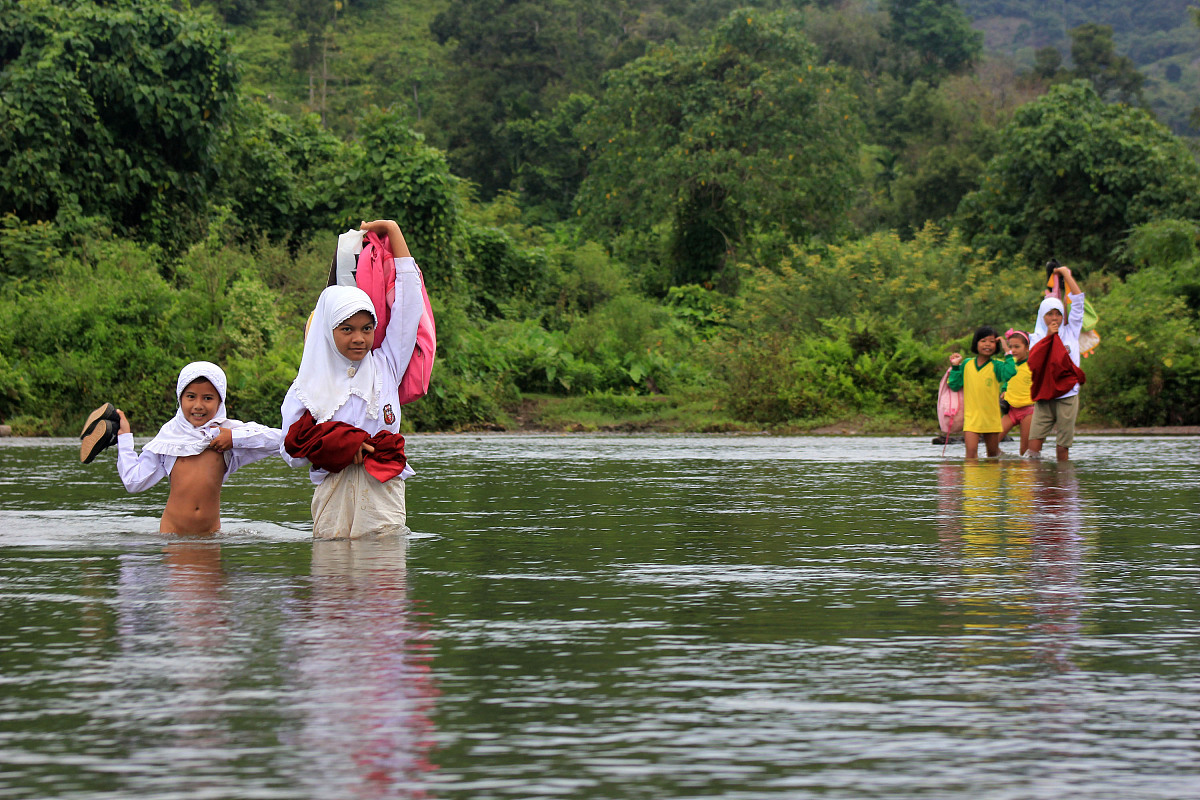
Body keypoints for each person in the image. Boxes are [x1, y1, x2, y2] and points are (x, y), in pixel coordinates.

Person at [281, 219, 426, 539]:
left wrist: (393, 231)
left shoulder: (386, 364)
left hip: (382, 491)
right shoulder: (305, 388)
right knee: (332, 584)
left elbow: (409, 303)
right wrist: (339, 446)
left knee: (384, 581)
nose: (359, 338)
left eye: (366, 328)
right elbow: (290, 453)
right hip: (332, 496)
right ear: (328, 331)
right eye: (346, 329)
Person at [109, 361, 284, 534]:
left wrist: (234, 438)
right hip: (173, 534)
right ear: (180, 398)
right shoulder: (169, 437)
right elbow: (133, 482)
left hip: (210, 535)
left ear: (220, 401)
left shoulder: (228, 433)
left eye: (208, 398)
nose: (198, 405)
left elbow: (281, 441)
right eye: (191, 397)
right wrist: (124, 437)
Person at [1027, 264, 1085, 461]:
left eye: (1058, 314)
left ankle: (1062, 484)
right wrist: (1048, 338)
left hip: (1067, 394)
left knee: (1063, 448)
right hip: (1044, 395)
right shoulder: (1035, 337)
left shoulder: (1071, 331)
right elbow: (1034, 363)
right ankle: (1037, 486)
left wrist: (1066, 275)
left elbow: (1078, 302)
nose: (1054, 318)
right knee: (1033, 447)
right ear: (1042, 316)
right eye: (1050, 314)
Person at [948, 325, 1016, 459]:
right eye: (983, 341)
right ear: (976, 343)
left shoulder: (997, 365)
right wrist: (955, 366)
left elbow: (1010, 372)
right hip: (971, 419)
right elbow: (954, 385)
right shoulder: (966, 364)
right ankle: (972, 480)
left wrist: (1007, 350)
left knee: (992, 455)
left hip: (991, 418)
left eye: (992, 341)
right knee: (971, 455)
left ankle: (991, 480)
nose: (988, 345)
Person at [999, 329, 1035, 455]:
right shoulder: (1010, 364)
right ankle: (1005, 461)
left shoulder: (1033, 365)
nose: (1013, 350)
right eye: (1010, 347)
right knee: (992, 441)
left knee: (1024, 450)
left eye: (1017, 347)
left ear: (1027, 348)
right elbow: (1007, 380)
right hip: (1011, 411)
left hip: (1029, 411)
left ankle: (1022, 472)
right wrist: (1004, 390)